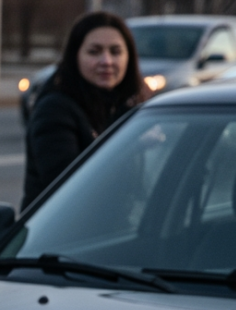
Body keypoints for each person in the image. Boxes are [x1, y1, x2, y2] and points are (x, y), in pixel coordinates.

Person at [22, 11, 147, 209]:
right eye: (94, 52)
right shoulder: (54, 109)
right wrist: (133, 145)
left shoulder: (129, 109)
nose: (106, 61)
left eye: (115, 52)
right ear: (75, 56)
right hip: (62, 235)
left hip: (118, 231)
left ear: (129, 58)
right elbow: (68, 189)